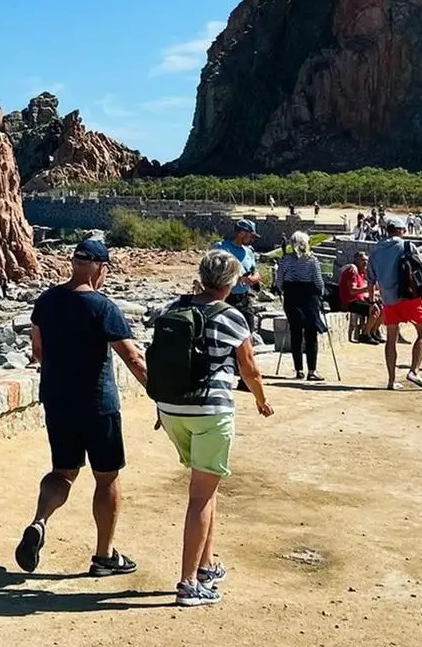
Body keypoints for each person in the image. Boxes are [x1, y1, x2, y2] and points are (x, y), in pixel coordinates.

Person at [16, 238, 148, 579]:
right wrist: (160, 394)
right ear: (101, 269)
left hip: (57, 400)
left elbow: (38, 351)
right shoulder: (103, 307)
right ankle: (104, 556)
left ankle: (39, 522)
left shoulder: (45, 302)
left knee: (62, 472)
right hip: (97, 404)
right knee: (106, 478)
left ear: (73, 264)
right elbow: (132, 357)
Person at [155, 251, 273, 608]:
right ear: (231, 283)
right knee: (201, 495)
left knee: (208, 486)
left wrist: (161, 405)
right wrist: (260, 400)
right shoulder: (232, 317)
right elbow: (249, 369)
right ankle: (189, 583)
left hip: (172, 408)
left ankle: (205, 566)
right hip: (210, 409)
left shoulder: (172, 310)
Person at [369, 216, 422, 390]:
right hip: (410, 298)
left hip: (388, 300)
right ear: (401, 231)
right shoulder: (407, 246)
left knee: (391, 339)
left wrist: (372, 302)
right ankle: (414, 371)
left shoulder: (376, 250)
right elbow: (421, 271)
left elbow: (371, 279)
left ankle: (392, 380)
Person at [273, 232, 327, 381]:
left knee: (295, 333)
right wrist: (321, 294)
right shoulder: (312, 260)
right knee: (311, 334)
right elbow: (318, 282)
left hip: (292, 298)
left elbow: (279, 281)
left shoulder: (285, 259)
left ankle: (299, 370)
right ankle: (312, 371)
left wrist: (283, 290)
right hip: (309, 299)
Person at [212, 220, 264, 326]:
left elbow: (255, 271)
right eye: (251, 236)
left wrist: (255, 278)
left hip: (244, 299)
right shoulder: (221, 248)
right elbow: (213, 273)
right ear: (241, 233)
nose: (252, 239)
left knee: (248, 332)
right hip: (226, 299)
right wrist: (237, 279)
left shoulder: (249, 251)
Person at [336, 255, 380, 344]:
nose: (365, 263)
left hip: (360, 300)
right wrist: (368, 288)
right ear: (356, 260)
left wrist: (373, 292)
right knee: (374, 310)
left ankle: (373, 332)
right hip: (350, 302)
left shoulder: (362, 272)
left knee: (382, 307)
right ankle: (365, 334)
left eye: (367, 260)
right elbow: (352, 291)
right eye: (363, 260)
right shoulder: (352, 271)